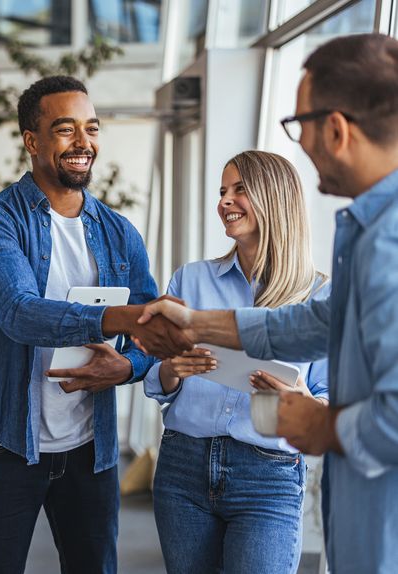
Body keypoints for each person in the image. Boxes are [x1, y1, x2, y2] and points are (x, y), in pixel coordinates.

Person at [137, 34, 398, 573]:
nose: (299, 143)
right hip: (200, 468)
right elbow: (314, 323)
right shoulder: (365, 230)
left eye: (296, 124)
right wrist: (195, 322)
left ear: (336, 128)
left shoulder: (387, 241)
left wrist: (318, 424)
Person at [0, 75, 191, 574]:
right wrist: (118, 316)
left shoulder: (118, 232)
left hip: (90, 449)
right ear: (32, 140)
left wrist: (126, 367)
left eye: (91, 129)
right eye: (66, 130)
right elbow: (19, 312)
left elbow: (146, 334)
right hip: (7, 444)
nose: (83, 143)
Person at [144, 150, 329, 574]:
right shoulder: (190, 279)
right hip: (183, 467)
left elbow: (331, 397)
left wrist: (300, 399)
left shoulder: (318, 296)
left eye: (239, 190)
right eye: (222, 191)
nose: (225, 201)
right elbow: (157, 377)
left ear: (274, 198)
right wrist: (173, 369)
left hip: (268, 477)